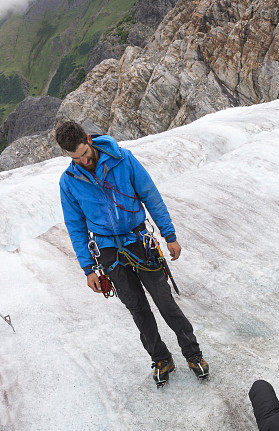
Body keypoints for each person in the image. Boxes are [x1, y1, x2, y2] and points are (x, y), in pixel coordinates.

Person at [55, 120, 208, 387]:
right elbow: (75, 227)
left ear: (89, 140)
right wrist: (88, 269)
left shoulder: (123, 159)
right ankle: (161, 359)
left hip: (138, 240)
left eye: (84, 154)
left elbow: (150, 195)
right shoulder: (69, 182)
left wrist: (169, 236)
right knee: (137, 308)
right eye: (75, 158)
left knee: (165, 302)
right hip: (107, 251)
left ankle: (193, 354)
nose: (83, 161)